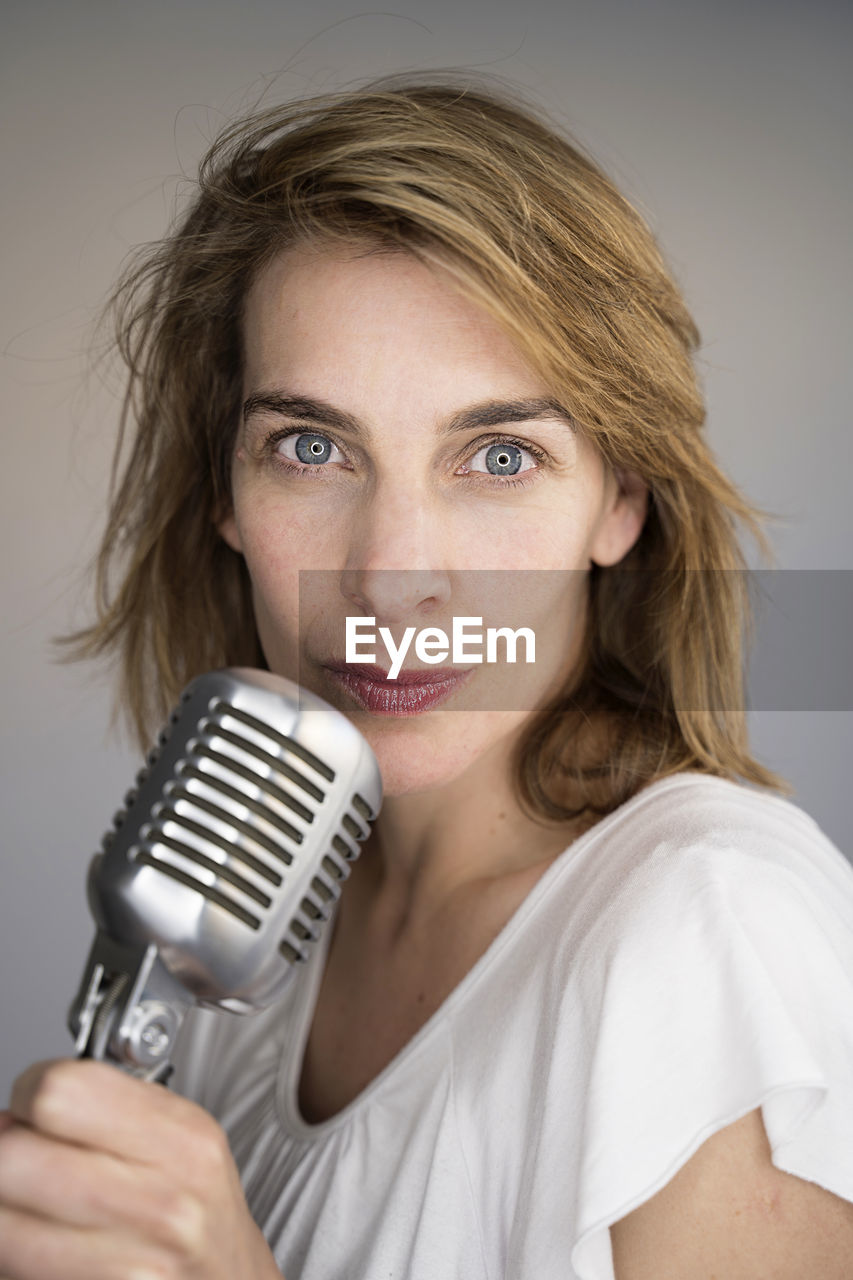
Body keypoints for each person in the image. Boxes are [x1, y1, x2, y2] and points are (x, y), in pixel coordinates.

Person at [1, 76, 852, 1280]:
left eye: (498, 456)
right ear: (226, 498)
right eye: (311, 447)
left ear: (620, 499)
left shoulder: (711, 926)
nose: (394, 576)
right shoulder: (248, 923)